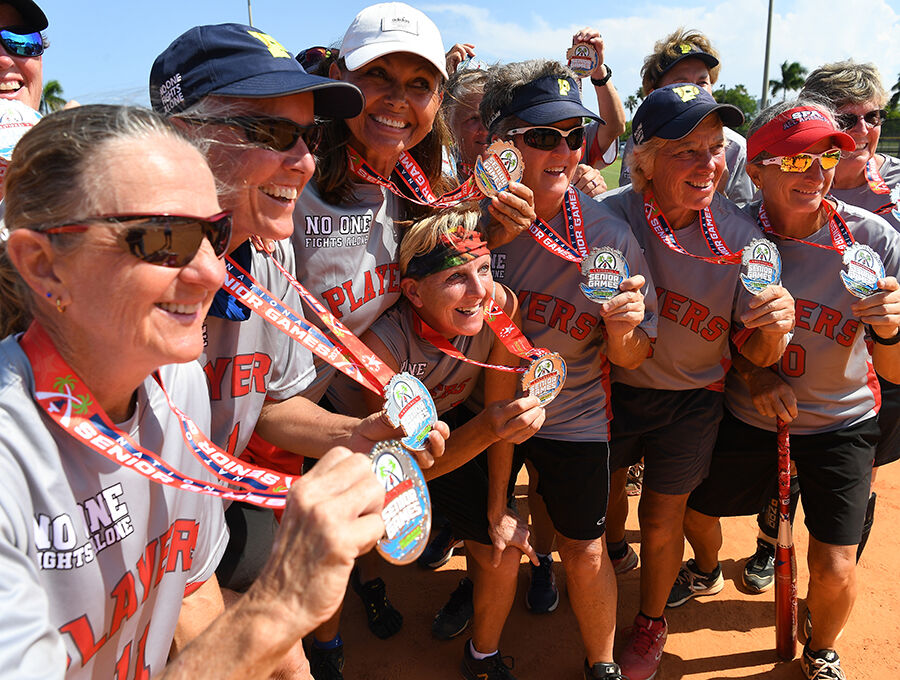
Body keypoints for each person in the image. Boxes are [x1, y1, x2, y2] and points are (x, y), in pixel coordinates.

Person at [0, 104, 387, 679]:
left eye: (215, 233)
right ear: (43, 264)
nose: (211, 271)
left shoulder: (175, 379)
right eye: (165, 238)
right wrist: (279, 607)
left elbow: (189, 587)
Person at [149, 23, 447, 679]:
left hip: (211, 506)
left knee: (288, 660)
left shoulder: (268, 249)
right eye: (269, 134)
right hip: (123, 535)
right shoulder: (117, 282)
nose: (306, 161)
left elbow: (274, 401)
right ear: (177, 138)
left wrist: (363, 431)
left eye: (309, 136)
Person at [679, 99, 900, 680]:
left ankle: (822, 645)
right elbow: (706, 334)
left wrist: (891, 327)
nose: (816, 172)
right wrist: (755, 373)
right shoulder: (730, 232)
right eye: (795, 159)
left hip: (841, 419)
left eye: (827, 155)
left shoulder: (873, 239)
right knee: (693, 512)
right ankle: (704, 569)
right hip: (748, 414)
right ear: (755, 170)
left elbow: (898, 373)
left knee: (833, 566)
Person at [601, 83, 795, 680]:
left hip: (691, 397)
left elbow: (758, 349)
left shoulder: (743, 239)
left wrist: (774, 330)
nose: (707, 164)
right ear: (644, 159)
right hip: (607, 387)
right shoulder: (606, 216)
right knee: (589, 514)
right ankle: (591, 608)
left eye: (714, 149)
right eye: (685, 150)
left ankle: (650, 623)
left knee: (662, 518)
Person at [481, 59, 656, 680]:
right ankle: (483, 649)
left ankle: (602, 663)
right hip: (487, 408)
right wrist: (489, 245)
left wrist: (622, 331)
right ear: (506, 143)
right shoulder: (473, 221)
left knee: (585, 545)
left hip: (577, 410)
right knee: (490, 537)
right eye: (541, 136)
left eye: (573, 134)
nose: (561, 149)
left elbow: (635, 356)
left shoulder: (608, 232)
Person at [737, 60, 900, 600]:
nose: (861, 133)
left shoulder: (886, 206)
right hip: (767, 384)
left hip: (855, 380)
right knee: (746, 495)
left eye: (872, 118)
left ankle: (827, 596)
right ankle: (767, 543)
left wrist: (893, 328)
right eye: (846, 122)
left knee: (845, 521)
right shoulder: (741, 225)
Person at [359, 206, 546, 668]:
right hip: (370, 452)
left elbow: (499, 410)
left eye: (483, 268)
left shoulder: (498, 305)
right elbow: (400, 475)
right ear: (413, 293)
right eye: (456, 278)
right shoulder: (384, 345)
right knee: (362, 538)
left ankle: (483, 656)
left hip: (448, 432)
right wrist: (486, 427)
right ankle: (366, 589)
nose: (480, 291)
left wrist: (498, 507)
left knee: (502, 548)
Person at [617, 28, 754, 206]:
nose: (694, 91)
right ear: (654, 94)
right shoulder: (640, 139)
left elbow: (741, 223)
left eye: (702, 82)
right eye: (681, 84)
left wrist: (715, 197)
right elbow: (630, 205)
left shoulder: (737, 148)